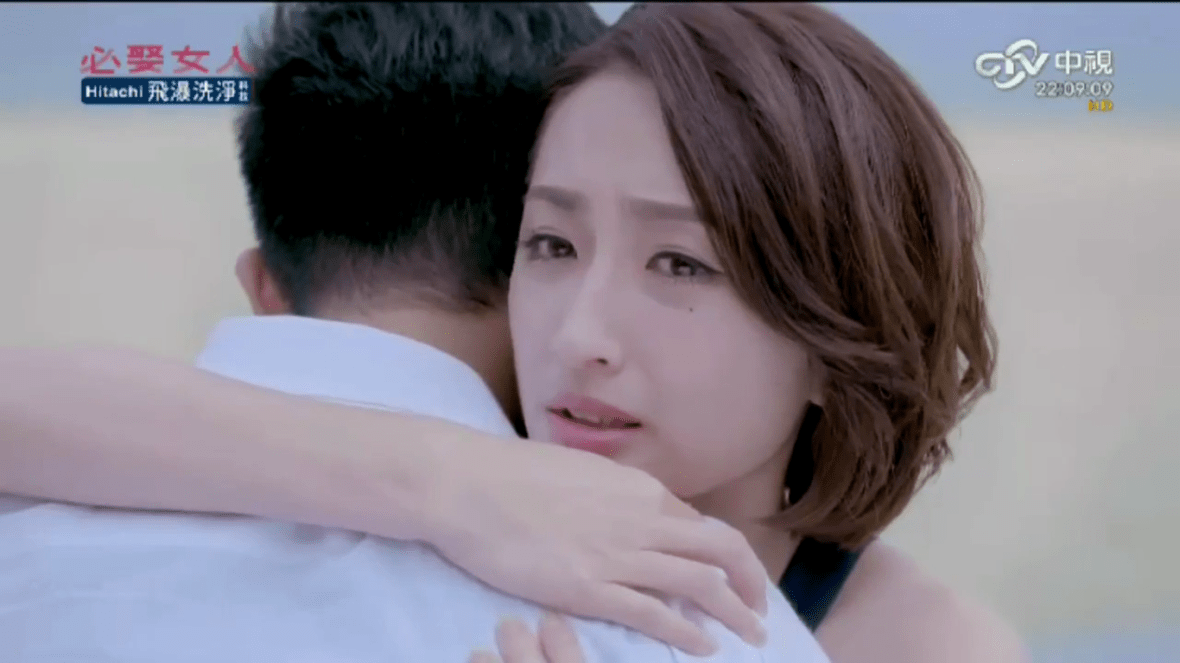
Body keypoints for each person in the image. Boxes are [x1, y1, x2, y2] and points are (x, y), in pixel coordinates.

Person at [0, 3, 1031, 662]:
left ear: (840, 329)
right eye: (550, 244)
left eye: (681, 263)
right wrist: (450, 479)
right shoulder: (458, 508)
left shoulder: (916, 642)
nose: (580, 334)